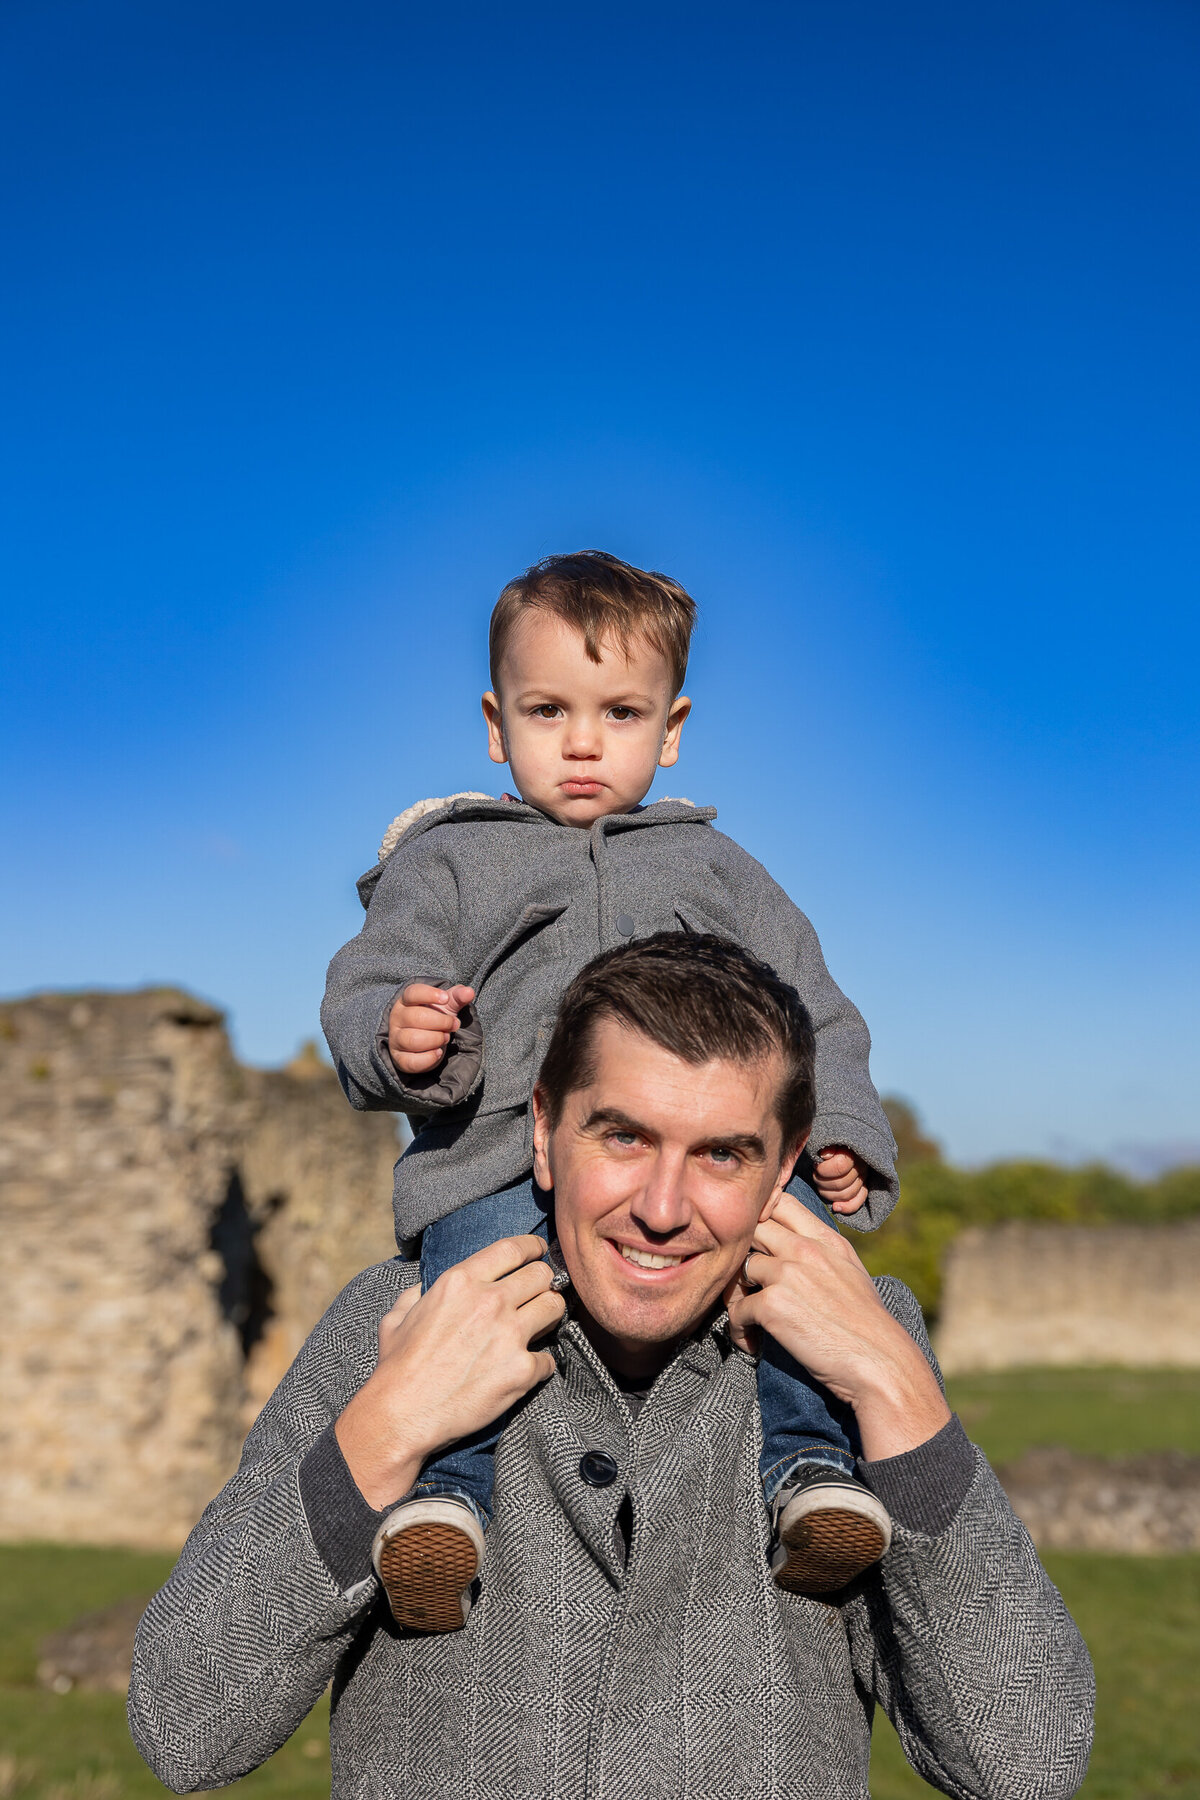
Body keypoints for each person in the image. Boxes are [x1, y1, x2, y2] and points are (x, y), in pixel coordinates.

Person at [129, 934, 1094, 1800]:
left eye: (722, 1154)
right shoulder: (402, 1322)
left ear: (787, 1163)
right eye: (623, 1136)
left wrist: (897, 1391)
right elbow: (188, 1728)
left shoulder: (858, 1352)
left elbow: (1028, 1760)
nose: (664, 1207)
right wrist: (385, 1430)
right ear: (544, 1132)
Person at [320, 550, 900, 1618]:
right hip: (490, 1155)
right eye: (549, 710)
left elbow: (817, 1008)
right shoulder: (446, 863)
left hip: (702, 1164)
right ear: (497, 725)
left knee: (796, 1269)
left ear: (669, 729)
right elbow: (363, 988)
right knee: (478, 1303)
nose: (583, 743)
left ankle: (811, 1474)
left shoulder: (717, 870)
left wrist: (845, 1133)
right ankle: (444, 1505)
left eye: (620, 714)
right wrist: (400, 1035)